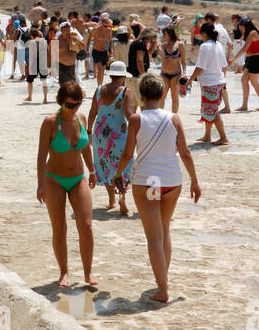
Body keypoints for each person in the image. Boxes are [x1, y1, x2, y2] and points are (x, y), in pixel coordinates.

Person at [114, 74, 202, 303]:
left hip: (149, 181)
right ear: (162, 95)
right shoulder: (174, 119)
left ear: (142, 97)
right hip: (172, 181)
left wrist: (117, 173)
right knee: (164, 230)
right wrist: (194, 180)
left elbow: (127, 153)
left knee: (154, 237)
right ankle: (162, 279)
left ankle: (163, 290)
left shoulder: (136, 119)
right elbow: (185, 153)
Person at [37, 80, 97, 289]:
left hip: (78, 178)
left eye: (78, 104)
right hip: (54, 179)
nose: (74, 109)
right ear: (61, 102)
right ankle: (64, 272)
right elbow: (41, 155)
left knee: (86, 225)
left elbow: (86, 148)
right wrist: (40, 184)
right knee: (59, 226)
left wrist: (92, 170)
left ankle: (88, 272)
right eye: (70, 105)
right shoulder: (50, 122)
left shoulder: (80, 118)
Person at [89, 60, 136, 216]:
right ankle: (122, 196)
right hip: (118, 134)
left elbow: (92, 113)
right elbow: (129, 115)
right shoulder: (125, 92)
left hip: (100, 133)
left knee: (105, 164)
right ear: (123, 76)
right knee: (122, 164)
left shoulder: (99, 90)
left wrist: (89, 132)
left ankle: (111, 200)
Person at [182, 21, 229, 144]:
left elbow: (200, 67)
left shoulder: (204, 46)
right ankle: (207, 135)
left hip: (210, 83)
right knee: (208, 109)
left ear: (203, 33)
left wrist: (188, 82)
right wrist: (222, 79)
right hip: (217, 82)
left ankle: (223, 137)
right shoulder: (218, 45)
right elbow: (224, 65)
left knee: (213, 111)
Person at [231, 17, 259, 111]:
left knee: (254, 83)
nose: (239, 28)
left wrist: (233, 59)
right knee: (244, 80)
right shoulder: (247, 33)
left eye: (240, 26)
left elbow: (244, 48)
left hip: (256, 59)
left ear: (244, 26)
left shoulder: (253, 33)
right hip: (250, 59)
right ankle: (244, 105)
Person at [158, 27, 185, 112]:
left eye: (164, 34)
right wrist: (158, 49)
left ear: (170, 34)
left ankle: (174, 117)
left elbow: (183, 60)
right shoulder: (162, 45)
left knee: (175, 97)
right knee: (161, 97)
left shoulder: (180, 44)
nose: (163, 36)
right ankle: (160, 116)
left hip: (176, 74)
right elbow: (163, 57)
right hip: (164, 74)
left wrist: (184, 73)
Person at [23, 26, 49, 104]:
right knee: (44, 80)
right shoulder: (44, 41)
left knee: (30, 80)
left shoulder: (31, 42)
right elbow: (48, 51)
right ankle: (45, 98)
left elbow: (32, 55)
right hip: (43, 61)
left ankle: (30, 96)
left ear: (31, 35)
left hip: (35, 62)